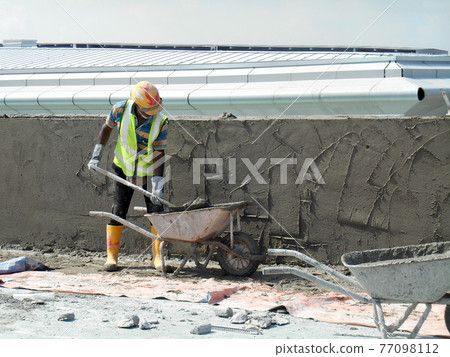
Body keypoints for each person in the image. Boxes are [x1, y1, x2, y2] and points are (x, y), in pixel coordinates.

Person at [88, 81, 168, 272]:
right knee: (118, 210)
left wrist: (157, 186)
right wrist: (96, 155)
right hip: (123, 168)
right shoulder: (120, 110)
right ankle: (112, 257)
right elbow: (106, 129)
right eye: (149, 109)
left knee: (156, 214)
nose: (153, 112)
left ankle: (158, 258)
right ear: (138, 106)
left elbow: (159, 152)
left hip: (148, 171)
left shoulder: (161, 121)